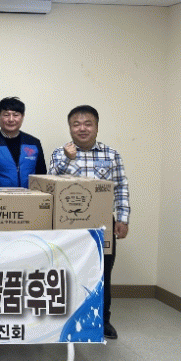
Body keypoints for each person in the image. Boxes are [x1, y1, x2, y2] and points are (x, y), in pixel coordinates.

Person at [49, 105, 130, 340]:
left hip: (102, 223)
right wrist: (69, 159)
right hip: (68, 224)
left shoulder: (111, 154)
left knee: (102, 272)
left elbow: (121, 187)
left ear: (96, 126)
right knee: (68, 270)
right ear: (70, 128)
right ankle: (66, 318)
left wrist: (122, 218)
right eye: (76, 124)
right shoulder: (60, 153)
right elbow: (50, 180)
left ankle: (103, 320)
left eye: (88, 124)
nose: (82, 128)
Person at [0, 96, 46, 187]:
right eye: (6, 115)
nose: (11, 119)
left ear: (22, 116)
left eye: (16, 115)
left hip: (28, 194)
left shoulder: (33, 143)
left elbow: (42, 175)